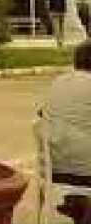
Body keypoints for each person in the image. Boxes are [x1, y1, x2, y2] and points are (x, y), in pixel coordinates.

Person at [42, 40, 91, 223]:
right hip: (84, 173)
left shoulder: (59, 81)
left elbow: (41, 114)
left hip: (53, 167)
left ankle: (78, 205)